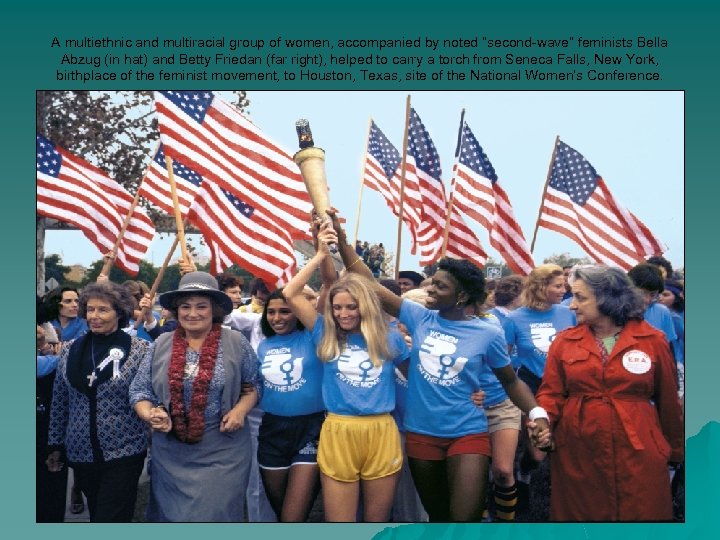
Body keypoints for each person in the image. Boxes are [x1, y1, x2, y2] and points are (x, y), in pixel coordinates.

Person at [326, 211, 550, 522]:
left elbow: (511, 382)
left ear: (460, 296)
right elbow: (367, 281)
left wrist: (536, 414)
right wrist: (341, 239)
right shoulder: (419, 318)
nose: (430, 290)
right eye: (432, 284)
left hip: (467, 431)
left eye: (439, 287)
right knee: (439, 517)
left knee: (465, 518)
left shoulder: (488, 333)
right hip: (421, 433)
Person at [534, 266, 684, 521]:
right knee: (582, 516)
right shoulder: (563, 342)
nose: (572, 305)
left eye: (581, 297)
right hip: (578, 446)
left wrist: (674, 451)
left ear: (607, 297)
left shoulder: (652, 340)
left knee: (641, 514)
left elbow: (668, 400)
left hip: (639, 446)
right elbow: (551, 394)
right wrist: (542, 422)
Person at [282, 222, 409, 522]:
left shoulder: (389, 337)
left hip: (382, 430)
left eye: (351, 307)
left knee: (377, 522)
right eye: (337, 308)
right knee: (340, 523)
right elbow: (291, 293)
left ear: (365, 306)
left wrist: (473, 393)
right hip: (339, 428)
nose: (343, 314)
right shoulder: (324, 331)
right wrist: (320, 254)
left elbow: (416, 375)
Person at [129, 272, 261, 522]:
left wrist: (240, 411)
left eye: (201, 306)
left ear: (215, 310)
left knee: (214, 514)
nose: (192, 313)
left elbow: (253, 385)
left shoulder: (235, 342)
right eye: (185, 307)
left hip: (223, 450)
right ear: (176, 310)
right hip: (170, 452)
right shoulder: (161, 344)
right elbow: (140, 391)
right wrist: (151, 414)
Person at [46, 282, 152, 522]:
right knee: (96, 514)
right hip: (81, 454)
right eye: (90, 309)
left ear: (119, 312)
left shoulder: (140, 350)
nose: (94, 316)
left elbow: (147, 393)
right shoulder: (69, 350)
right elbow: (60, 399)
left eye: (103, 310)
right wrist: (54, 444)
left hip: (124, 452)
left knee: (111, 517)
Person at [255, 288, 326, 521]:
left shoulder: (313, 337)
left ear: (298, 313)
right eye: (271, 312)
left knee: (293, 517)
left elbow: (327, 283)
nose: (277, 318)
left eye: (285, 311)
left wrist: (321, 255)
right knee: (283, 513)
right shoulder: (263, 346)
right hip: (272, 430)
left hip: (311, 430)